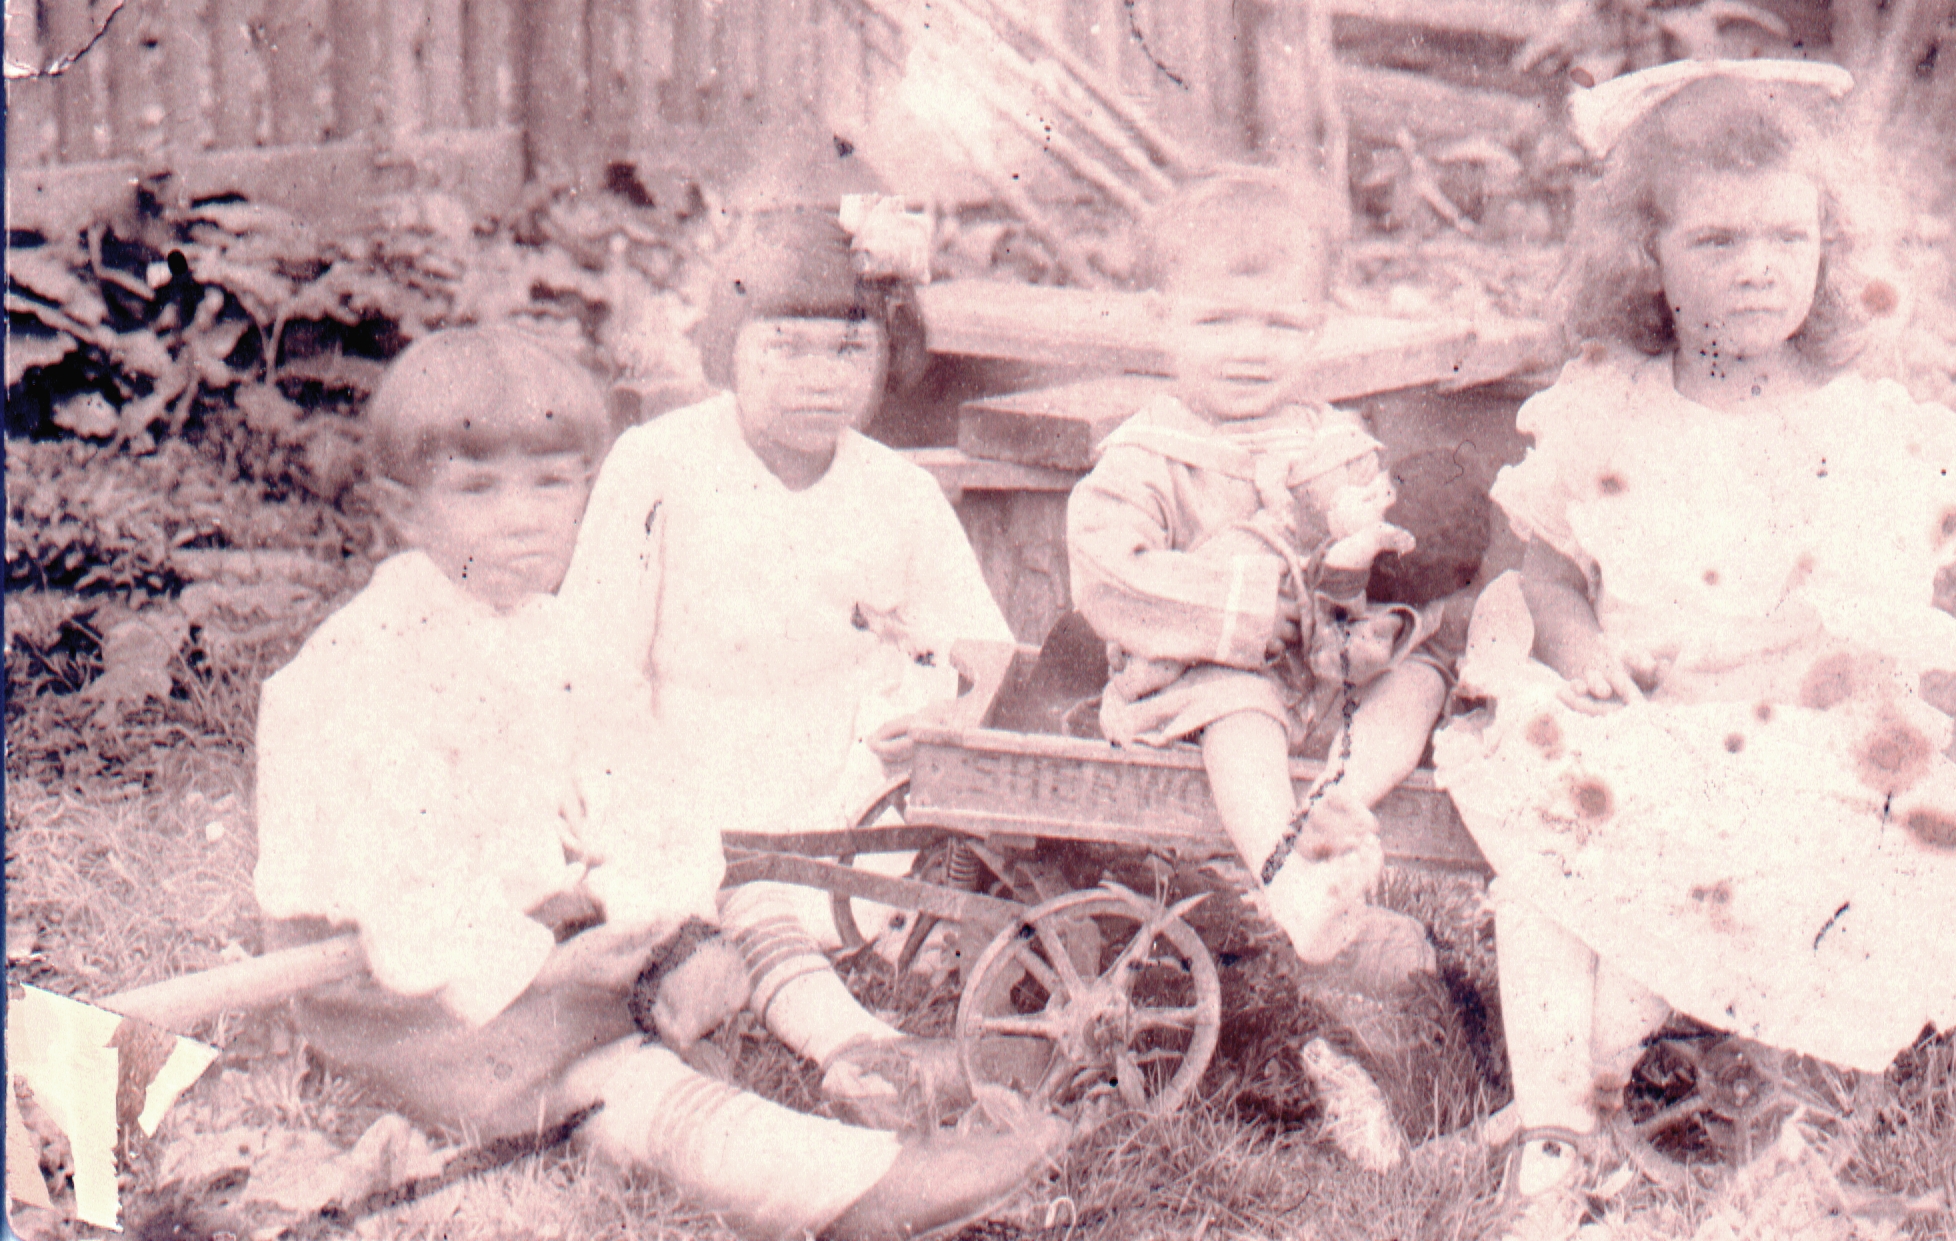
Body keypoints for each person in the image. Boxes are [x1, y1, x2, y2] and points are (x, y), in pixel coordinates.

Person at [253, 326, 1057, 1241]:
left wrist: (649, 908)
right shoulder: (367, 665)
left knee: (739, 898)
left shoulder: (547, 634)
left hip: (529, 916)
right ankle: (837, 1185)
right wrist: (543, 966)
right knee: (602, 1067)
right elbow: (400, 882)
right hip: (403, 980)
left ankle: (855, 1052)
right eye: (477, 489)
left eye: (551, 484)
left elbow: (639, 781)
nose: (522, 517)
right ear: (405, 511)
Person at [1430, 61, 1956, 1235]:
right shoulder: (1609, 404)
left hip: (1785, 726)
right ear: (1643, 258)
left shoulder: (1855, 430)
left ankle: (1601, 1083)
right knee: (1545, 864)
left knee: (1692, 836)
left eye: (1784, 238)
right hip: (1626, 719)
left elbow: (1864, 636)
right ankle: (1553, 1140)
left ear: (1828, 252)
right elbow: (1546, 570)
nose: (1756, 267)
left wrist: (1733, 685)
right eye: (1714, 242)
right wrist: (1573, 646)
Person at [558, 205, 1037, 1124]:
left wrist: (951, 714)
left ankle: (849, 976)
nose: (818, 381)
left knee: (906, 854)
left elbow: (981, 652)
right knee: (696, 878)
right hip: (683, 748)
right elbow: (595, 659)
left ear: (885, 362)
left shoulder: (895, 491)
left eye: (848, 353)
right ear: (728, 349)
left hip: (836, 762)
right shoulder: (658, 464)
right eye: (784, 348)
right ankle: (848, 1042)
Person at [1065, 170, 1452, 988]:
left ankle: (1337, 805)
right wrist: (1237, 609)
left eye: (1282, 324)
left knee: (1419, 682)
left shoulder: (1335, 445)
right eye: (1217, 322)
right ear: (1160, 318)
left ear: (1318, 331)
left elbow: (1370, 570)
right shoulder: (1148, 454)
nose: (1250, 348)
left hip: (1320, 687)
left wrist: (1372, 611)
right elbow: (1109, 574)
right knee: (1238, 701)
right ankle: (1290, 876)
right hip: (1195, 692)